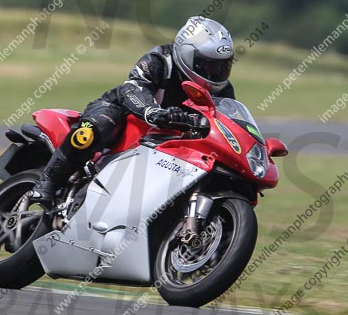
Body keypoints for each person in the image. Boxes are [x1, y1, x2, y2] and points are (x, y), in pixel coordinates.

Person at [29, 16, 236, 208]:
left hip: (169, 140)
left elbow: (227, 120)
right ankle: (48, 182)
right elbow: (133, 88)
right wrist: (153, 112)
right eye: (207, 65)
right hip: (122, 111)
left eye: (221, 67)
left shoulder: (223, 89)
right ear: (188, 55)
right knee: (91, 130)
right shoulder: (160, 60)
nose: (214, 74)